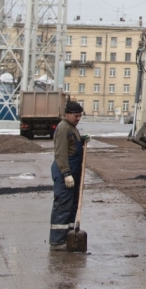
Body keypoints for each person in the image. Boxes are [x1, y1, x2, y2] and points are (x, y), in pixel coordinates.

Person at [50, 101, 89, 251]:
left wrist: (82, 140)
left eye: (80, 116)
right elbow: (60, 154)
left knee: (72, 205)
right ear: (67, 114)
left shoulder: (72, 128)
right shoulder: (63, 128)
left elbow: (72, 146)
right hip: (64, 171)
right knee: (63, 204)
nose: (78, 118)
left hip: (73, 171)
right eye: (76, 115)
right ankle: (57, 241)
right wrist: (66, 173)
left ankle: (69, 236)